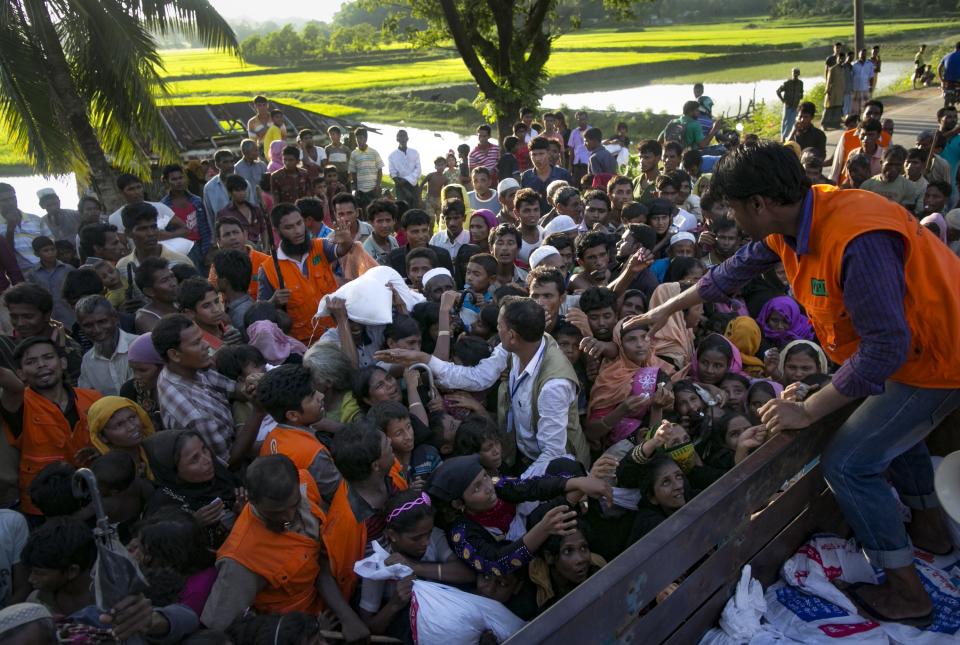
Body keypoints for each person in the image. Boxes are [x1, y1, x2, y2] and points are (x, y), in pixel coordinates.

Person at [639, 141, 960, 625]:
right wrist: (660, 310)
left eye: (731, 208)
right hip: (912, 359)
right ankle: (931, 531)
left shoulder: (857, 238)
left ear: (758, 205)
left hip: (937, 362)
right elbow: (731, 273)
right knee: (889, 435)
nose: (728, 221)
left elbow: (885, 348)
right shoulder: (794, 222)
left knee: (850, 462)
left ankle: (907, 590)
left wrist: (808, 411)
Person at [380, 296, 590, 474]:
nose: (497, 330)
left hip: (556, 469)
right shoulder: (525, 342)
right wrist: (424, 358)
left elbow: (552, 454)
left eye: (500, 326)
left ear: (512, 336)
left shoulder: (554, 385)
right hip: (523, 456)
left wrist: (518, 487)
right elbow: (478, 377)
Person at [203, 454, 368, 642]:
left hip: (332, 608)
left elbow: (318, 561)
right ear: (252, 501)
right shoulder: (241, 559)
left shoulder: (305, 482)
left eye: (294, 505)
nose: (288, 516)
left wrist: (346, 616)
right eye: (276, 512)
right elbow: (219, 628)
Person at [0, 336, 100, 517]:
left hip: (94, 496)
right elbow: (9, 383)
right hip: (42, 509)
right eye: (31, 361)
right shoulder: (18, 404)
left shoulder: (93, 399)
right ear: (21, 373)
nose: (41, 365)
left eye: (47, 357)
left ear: (62, 363)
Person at [256, 201, 355, 344]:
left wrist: (346, 240)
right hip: (304, 345)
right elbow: (261, 314)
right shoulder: (268, 269)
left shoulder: (320, 246)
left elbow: (342, 249)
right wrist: (273, 302)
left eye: (299, 223)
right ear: (277, 231)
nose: (298, 231)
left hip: (338, 333)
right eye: (289, 227)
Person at [255, 364, 341, 504]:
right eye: (312, 396)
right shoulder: (312, 453)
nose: (321, 395)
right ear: (293, 415)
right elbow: (339, 494)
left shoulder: (273, 437)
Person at [75, 295, 135, 396]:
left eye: (102, 322)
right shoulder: (88, 361)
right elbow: (87, 398)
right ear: (81, 327)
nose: (97, 330)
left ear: (115, 318)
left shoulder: (138, 345)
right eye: (88, 325)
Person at [116, 203, 194, 276]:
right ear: (128, 233)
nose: (151, 233)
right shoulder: (123, 267)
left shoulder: (181, 262)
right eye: (142, 229)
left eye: (153, 227)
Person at [160, 164, 211, 265]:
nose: (179, 182)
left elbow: (205, 228)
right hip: (180, 252)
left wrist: (207, 251)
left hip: (201, 248)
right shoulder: (164, 206)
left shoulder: (197, 201)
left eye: (181, 177)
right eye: (174, 179)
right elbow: (163, 234)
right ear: (166, 182)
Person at [0, 183, 52, 271]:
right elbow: (6, 255)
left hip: (47, 267)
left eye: (13, 198)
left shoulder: (35, 219)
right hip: (21, 273)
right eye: (5, 200)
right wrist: (10, 228)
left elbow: (51, 243)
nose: (10, 203)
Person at [348, 127, 384, 207]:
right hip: (361, 190)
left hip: (373, 189)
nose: (358, 140)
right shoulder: (354, 154)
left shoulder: (374, 152)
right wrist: (356, 188)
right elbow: (353, 173)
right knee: (363, 211)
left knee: (374, 211)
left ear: (366, 138)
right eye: (357, 138)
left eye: (361, 138)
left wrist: (377, 186)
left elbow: (380, 170)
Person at [388, 129, 421, 208]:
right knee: (402, 209)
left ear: (407, 138)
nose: (402, 138)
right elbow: (393, 174)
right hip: (400, 186)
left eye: (404, 136)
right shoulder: (392, 156)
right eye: (400, 136)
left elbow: (418, 170)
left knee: (415, 209)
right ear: (397, 139)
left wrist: (406, 179)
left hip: (413, 185)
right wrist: (404, 189)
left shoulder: (414, 152)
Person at [233, 139, 267, 207]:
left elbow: (267, 185)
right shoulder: (237, 168)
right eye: (255, 150)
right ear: (245, 152)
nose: (258, 153)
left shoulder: (262, 165)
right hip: (246, 205)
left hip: (263, 204)